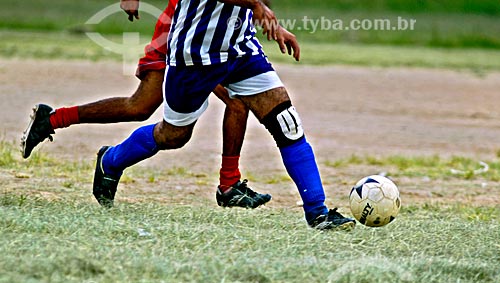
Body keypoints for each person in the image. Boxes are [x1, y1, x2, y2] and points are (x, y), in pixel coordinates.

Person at [94, 0, 356, 230]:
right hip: (196, 52)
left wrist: (272, 24)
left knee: (287, 124)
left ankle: (318, 213)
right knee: (173, 135)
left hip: (240, 47)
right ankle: (112, 160)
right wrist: (256, 5)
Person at [20, 0, 271, 209]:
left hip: (217, 34)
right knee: (235, 100)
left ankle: (53, 120)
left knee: (141, 108)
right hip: (188, 29)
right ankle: (228, 184)